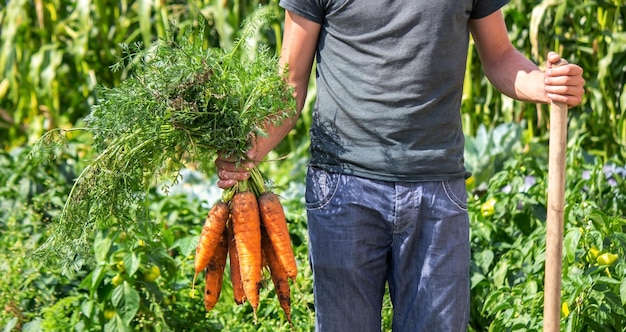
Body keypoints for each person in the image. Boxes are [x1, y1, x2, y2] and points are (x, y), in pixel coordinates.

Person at [216, 0, 585, 331]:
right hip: (343, 191)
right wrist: (251, 148)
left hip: (437, 190)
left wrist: (545, 84)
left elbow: (500, 55)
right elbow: (290, 83)